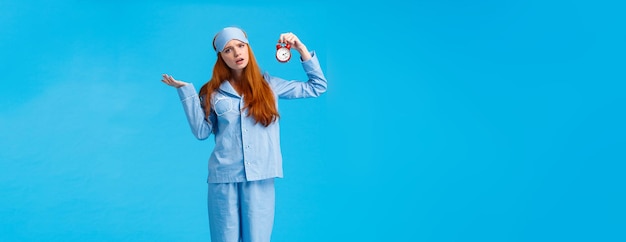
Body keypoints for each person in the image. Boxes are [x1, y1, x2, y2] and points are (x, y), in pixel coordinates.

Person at [160, 26, 327, 242]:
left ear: (248, 48)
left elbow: (317, 87)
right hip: (223, 178)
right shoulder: (212, 92)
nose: (237, 53)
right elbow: (202, 132)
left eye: (240, 46)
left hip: (261, 176)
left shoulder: (270, 85)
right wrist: (186, 92)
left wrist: (301, 49)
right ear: (221, 57)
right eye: (228, 50)